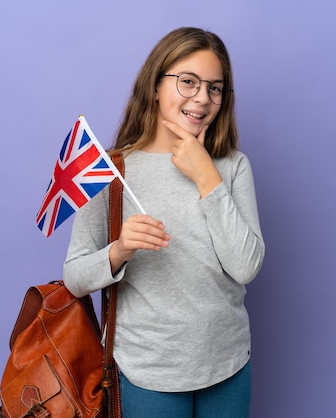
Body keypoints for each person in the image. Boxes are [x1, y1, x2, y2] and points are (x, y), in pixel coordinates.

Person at [63, 27, 265, 418]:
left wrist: (207, 176)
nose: (202, 99)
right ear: (155, 85)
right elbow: (75, 276)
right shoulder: (110, 171)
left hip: (228, 363)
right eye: (188, 82)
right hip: (147, 371)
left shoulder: (232, 166)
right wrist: (120, 250)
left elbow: (246, 266)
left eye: (215, 88)